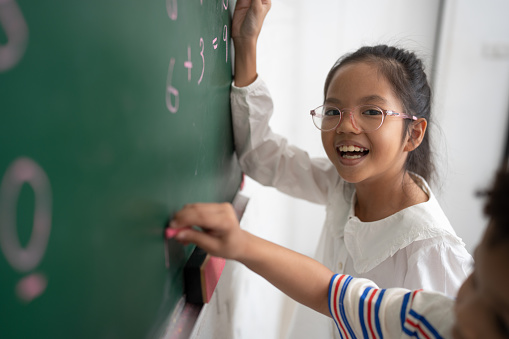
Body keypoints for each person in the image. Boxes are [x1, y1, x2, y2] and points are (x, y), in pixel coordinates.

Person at [231, 1, 472, 337]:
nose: (346, 126)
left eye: (372, 112)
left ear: (413, 134)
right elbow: (262, 157)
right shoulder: (343, 186)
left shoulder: (433, 253)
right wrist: (246, 44)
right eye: (333, 111)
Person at [169, 167, 509, 339]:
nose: (466, 311)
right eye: (475, 278)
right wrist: (241, 244)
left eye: (500, 320)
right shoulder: (429, 319)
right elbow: (331, 291)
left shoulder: (430, 242)